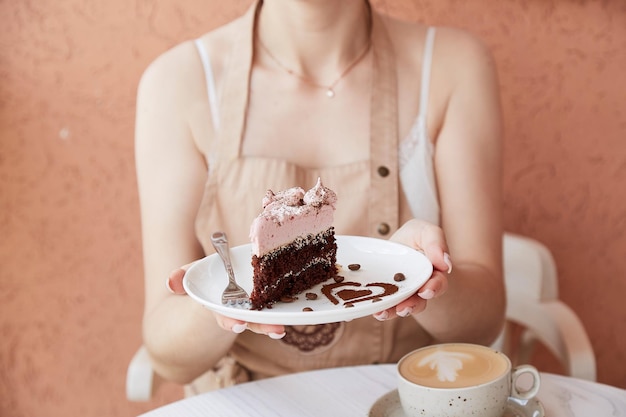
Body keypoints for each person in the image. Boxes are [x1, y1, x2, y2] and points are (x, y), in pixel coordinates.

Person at [135, 0, 505, 394]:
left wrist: (419, 271)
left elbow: (481, 325)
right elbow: (166, 356)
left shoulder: (452, 66)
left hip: (404, 395)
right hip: (246, 399)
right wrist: (221, 305)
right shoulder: (178, 82)